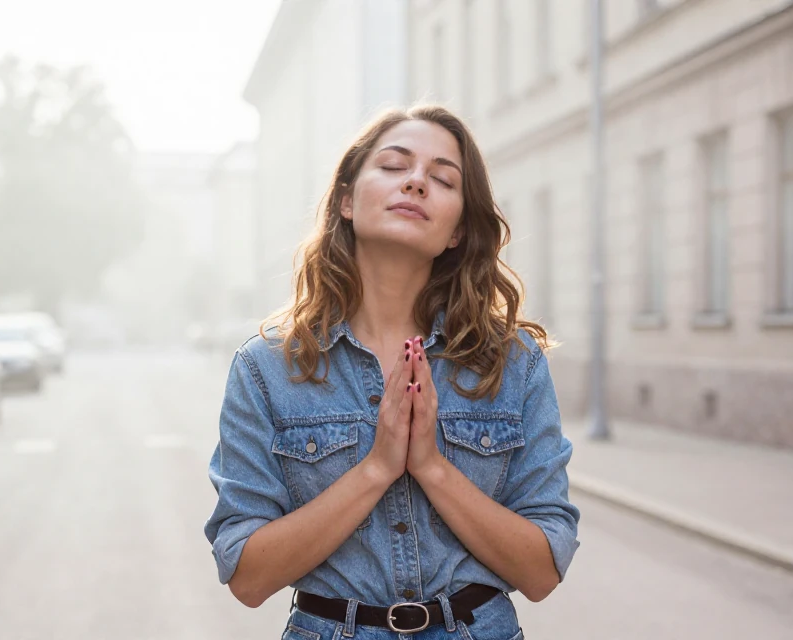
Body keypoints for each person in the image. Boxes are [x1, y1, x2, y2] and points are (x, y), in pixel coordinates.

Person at [204, 104, 580, 639]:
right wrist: (377, 468)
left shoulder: (511, 361)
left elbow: (542, 570)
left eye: (443, 178)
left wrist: (432, 467)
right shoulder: (267, 367)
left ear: (456, 232)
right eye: (394, 166)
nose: (417, 183)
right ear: (347, 201)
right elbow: (247, 576)